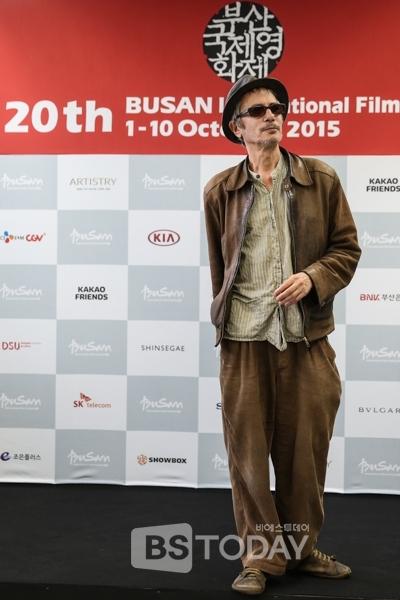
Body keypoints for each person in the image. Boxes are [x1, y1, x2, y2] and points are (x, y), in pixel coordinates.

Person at [203, 74, 361, 595]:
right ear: (237, 127)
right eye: (258, 110)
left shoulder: (321, 179)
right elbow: (221, 267)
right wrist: (225, 319)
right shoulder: (220, 190)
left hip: (306, 339)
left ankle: (302, 549)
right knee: (248, 458)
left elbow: (347, 249)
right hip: (244, 341)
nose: (271, 115)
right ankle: (260, 558)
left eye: (277, 107)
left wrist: (313, 277)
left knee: (305, 457)